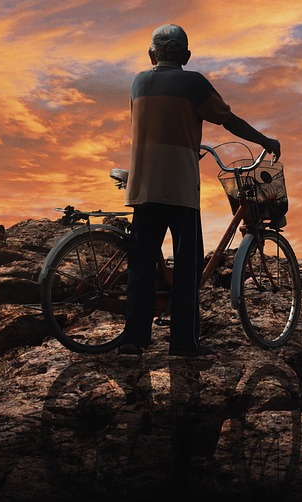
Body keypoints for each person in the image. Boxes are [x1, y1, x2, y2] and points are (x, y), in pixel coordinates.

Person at [120, 24, 281, 357]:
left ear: (152, 54)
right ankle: (183, 344)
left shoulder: (138, 83)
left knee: (141, 267)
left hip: (143, 186)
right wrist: (264, 140)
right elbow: (227, 120)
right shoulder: (193, 83)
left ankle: (133, 341)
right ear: (187, 56)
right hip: (179, 188)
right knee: (188, 266)